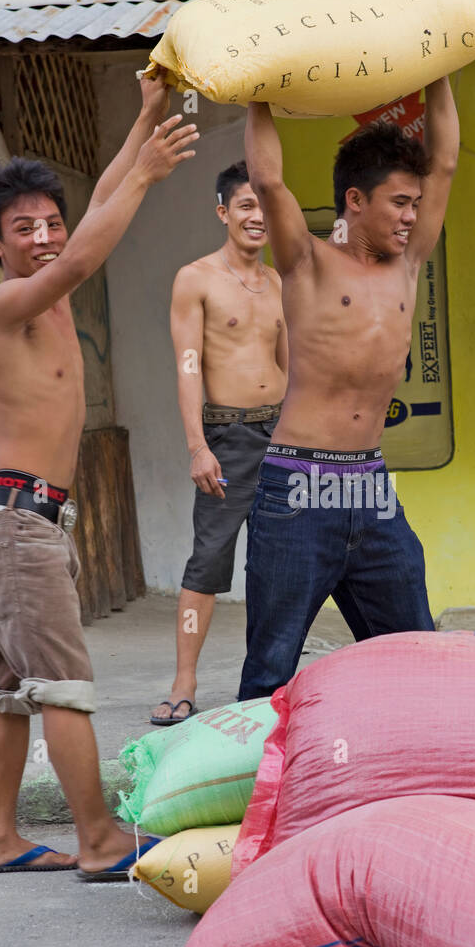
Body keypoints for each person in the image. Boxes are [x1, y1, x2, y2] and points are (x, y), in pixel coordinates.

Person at [0, 76, 198, 879]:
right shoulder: (9, 308)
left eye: (50, 222)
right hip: (17, 525)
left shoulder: (52, 288)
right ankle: (99, 840)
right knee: (62, 686)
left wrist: (142, 118)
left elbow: (95, 208)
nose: (43, 236)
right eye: (22, 228)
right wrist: (148, 175)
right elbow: (92, 243)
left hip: (24, 523)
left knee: (7, 687)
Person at [238, 78, 459, 700]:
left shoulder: (409, 263)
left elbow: (443, 162)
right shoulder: (305, 261)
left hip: (370, 485)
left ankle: (411, 787)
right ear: (355, 201)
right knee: (270, 669)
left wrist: (439, 71)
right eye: (399, 203)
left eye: (416, 204)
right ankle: (259, 796)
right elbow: (270, 181)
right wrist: (257, 94)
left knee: (417, 654)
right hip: (297, 487)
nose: (412, 216)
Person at [149, 160, 286, 724]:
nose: (257, 217)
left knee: (280, 563)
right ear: (223, 211)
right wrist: (197, 446)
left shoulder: (279, 282)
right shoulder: (196, 277)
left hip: (282, 435)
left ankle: (270, 684)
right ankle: (183, 683)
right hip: (227, 436)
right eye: (246, 206)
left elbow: (288, 364)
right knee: (207, 562)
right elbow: (187, 366)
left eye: (264, 207)